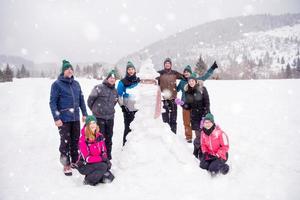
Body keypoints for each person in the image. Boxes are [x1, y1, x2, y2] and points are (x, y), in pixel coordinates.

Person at [49, 59, 87, 176]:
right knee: (65, 142)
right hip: (64, 119)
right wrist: (56, 118)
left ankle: (75, 161)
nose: (70, 71)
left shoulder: (76, 84)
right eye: (67, 69)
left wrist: (84, 113)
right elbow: (52, 102)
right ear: (63, 71)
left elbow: (81, 100)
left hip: (75, 117)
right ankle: (66, 164)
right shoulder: (57, 84)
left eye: (71, 69)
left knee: (76, 140)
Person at [176, 62, 218, 143]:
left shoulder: (200, 86)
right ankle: (189, 137)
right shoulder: (182, 82)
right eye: (185, 72)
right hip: (187, 105)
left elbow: (206, 102)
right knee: (187, 122)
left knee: (202, 128)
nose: (186, 73)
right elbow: (175, 89)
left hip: (198, 109)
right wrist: (179, 102)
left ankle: (205, 144)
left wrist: (212, 68)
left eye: (188, 72)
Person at [87, 70, 118, 160]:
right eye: (111, 78)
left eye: (114, 78)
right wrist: (96, 111)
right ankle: (99, 155)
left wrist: (109, 110)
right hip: (99, 118)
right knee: (99, 137)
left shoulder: (115, 91)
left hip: (110, 118)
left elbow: (114, 103)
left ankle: (108, 155)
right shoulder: (98, 87)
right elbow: (90, 101)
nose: (112, 79)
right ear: (107, 78)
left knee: (109, 137)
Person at [76, 115, 114, 185]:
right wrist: (101, 158)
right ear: (87, 125)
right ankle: (88, 181)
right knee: (103, 166)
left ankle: (95, 176)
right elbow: (87, 159)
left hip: (97, 162)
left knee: (109, 178)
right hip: (85, 165)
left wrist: (106, 159)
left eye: (94, 123)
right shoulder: (83, 139)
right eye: (90, 123)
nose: (93, 125)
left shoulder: (100, 136)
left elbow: (103, 150)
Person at [181, 73, 210, 158]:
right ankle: (197, 150)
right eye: (189, 81)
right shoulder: (188, 92)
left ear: (196, 81)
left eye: (192, 80)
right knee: (198, 135)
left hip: (203, 115)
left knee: (205, 134)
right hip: (194, 117)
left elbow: (207, 102)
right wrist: (182, 103)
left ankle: (204, 151)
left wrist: (206, 114)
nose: (191, 82)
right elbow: (188, 106)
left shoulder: (202, 89)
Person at [156, 58, 183, 134]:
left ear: (171, 65)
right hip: (163, 99)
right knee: (165, 119)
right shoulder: (160, 73)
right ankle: (167, 136)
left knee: (173, 119)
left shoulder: (175, 73)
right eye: (166, 63)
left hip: (173, 99)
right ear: (164, 65)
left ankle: (174, 134)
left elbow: (185, 77)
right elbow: (151, 78)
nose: (167, 64)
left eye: (169, 63)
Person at [117, 61, 140, 146]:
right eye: (129, 69)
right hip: (128, 110)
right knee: (128, 128)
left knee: (138, 128)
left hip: (138, 109)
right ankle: (125, 146)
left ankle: (135, 146)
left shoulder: (138, 81)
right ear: (127, 71)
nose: (130, 71)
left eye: (132, 69)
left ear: (135, 70)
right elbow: (119, 95)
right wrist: (122, 106)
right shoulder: (122, 82)